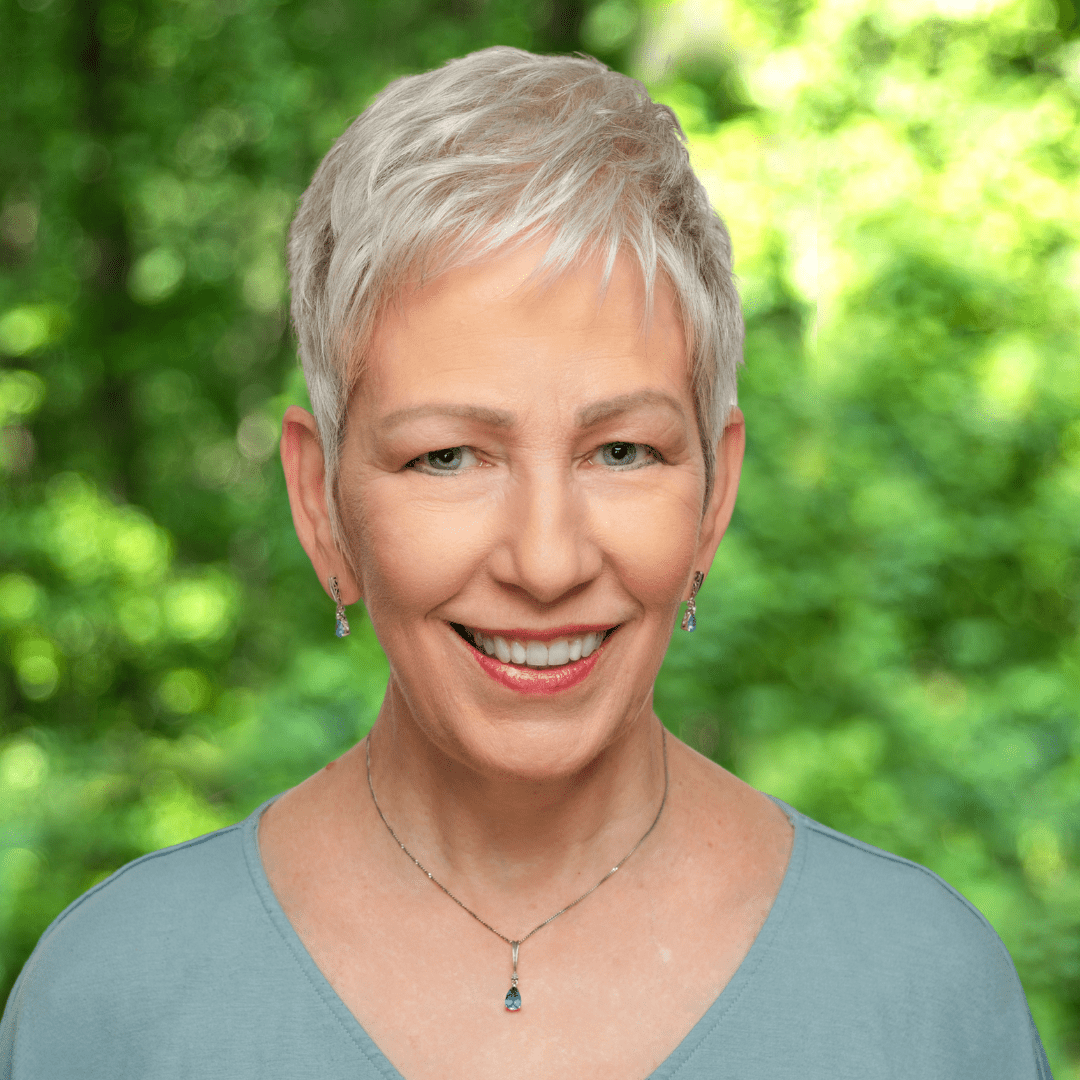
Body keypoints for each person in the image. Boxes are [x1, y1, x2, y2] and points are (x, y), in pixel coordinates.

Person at [0, 46, 1053, 1080]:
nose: (545, 562)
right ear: (321, 502)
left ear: (714, 496)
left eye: (622, 451)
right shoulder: (109, 1006)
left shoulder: (927, 997)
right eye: (447, 456)